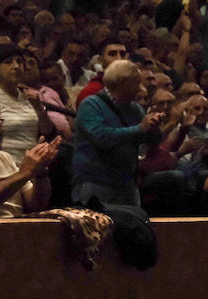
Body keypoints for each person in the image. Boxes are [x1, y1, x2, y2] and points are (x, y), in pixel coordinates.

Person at [71, 59, 165, 206]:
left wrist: (153, 127)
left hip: (127, 184)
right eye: (137, 82)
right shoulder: (91, 105)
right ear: (123, 83)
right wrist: (140, 128)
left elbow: (151, 142)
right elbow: (101, 137)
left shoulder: (135, 109)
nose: (141, 89)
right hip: (96, 182)